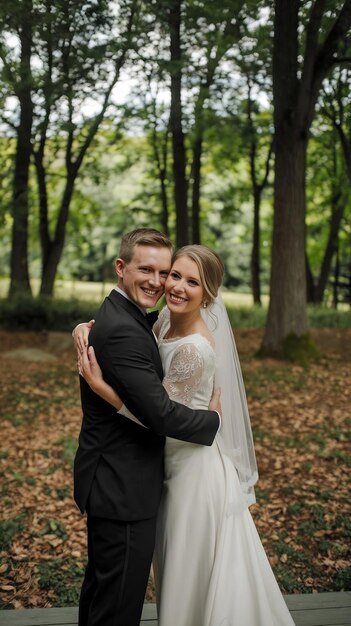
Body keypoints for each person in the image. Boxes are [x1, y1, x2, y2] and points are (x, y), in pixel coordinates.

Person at [75, 244, 296, 626]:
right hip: (164, 467)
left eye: (190, 282)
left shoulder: (195, 348)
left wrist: (103, 390)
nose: (173, 286)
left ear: (208, 294)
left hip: (192, 471)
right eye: (174, 275)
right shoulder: (162, 321)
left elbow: (159, 417)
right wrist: (85, 327)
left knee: (191, 573)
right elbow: (127, 329)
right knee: (169, 571)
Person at [73, 229, 221, 626]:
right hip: (123, 486)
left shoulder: (128, 318)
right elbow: (161, 416)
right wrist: (213, 421)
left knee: (105, 594)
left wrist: (85, 328)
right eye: (146, 270)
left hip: (123, 479)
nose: (158, 282)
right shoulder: (123, 329)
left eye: (164, 271)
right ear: (121, 268)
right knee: (116, 606)